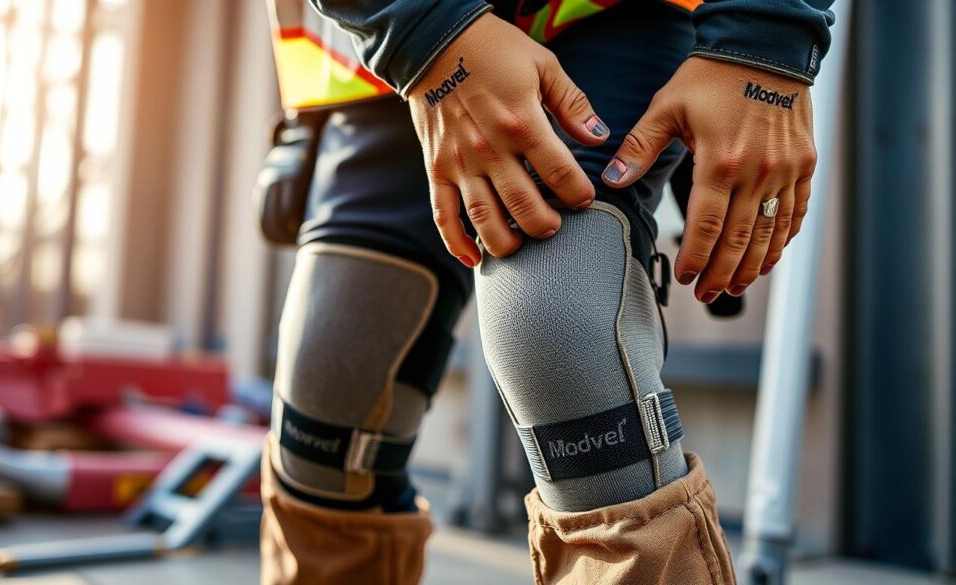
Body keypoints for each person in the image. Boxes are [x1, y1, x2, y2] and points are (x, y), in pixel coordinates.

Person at [258, 1, 835, 583]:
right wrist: (422, 30)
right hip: (393, 56)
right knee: (331, 388)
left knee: (558, 312)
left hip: (617, 16)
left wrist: (765, 41)